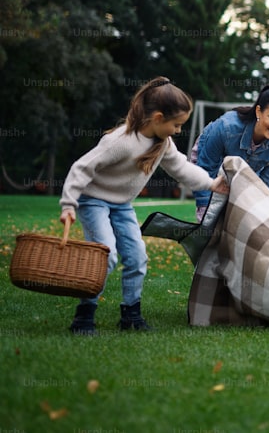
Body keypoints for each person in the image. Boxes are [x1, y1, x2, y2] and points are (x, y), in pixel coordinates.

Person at [59, 76, 229, 335]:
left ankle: (130, 314)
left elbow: (182, 169)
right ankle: (84, 315)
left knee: (137, 257)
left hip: (122, 205)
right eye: (177, 124)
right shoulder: (121, 141)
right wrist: (68, 204)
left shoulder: (163, 144)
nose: (179, 130)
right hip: (93, 201)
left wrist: (211, 183)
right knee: (106, 254)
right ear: (158, 118)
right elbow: (82, 167)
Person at [191, 85, 269, 220]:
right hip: (208, 165)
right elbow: (206, 169)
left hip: (245, 170)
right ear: (258, 112)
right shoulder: (226, 128)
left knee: (243, 220)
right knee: (213, 221)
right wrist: (205, 215)